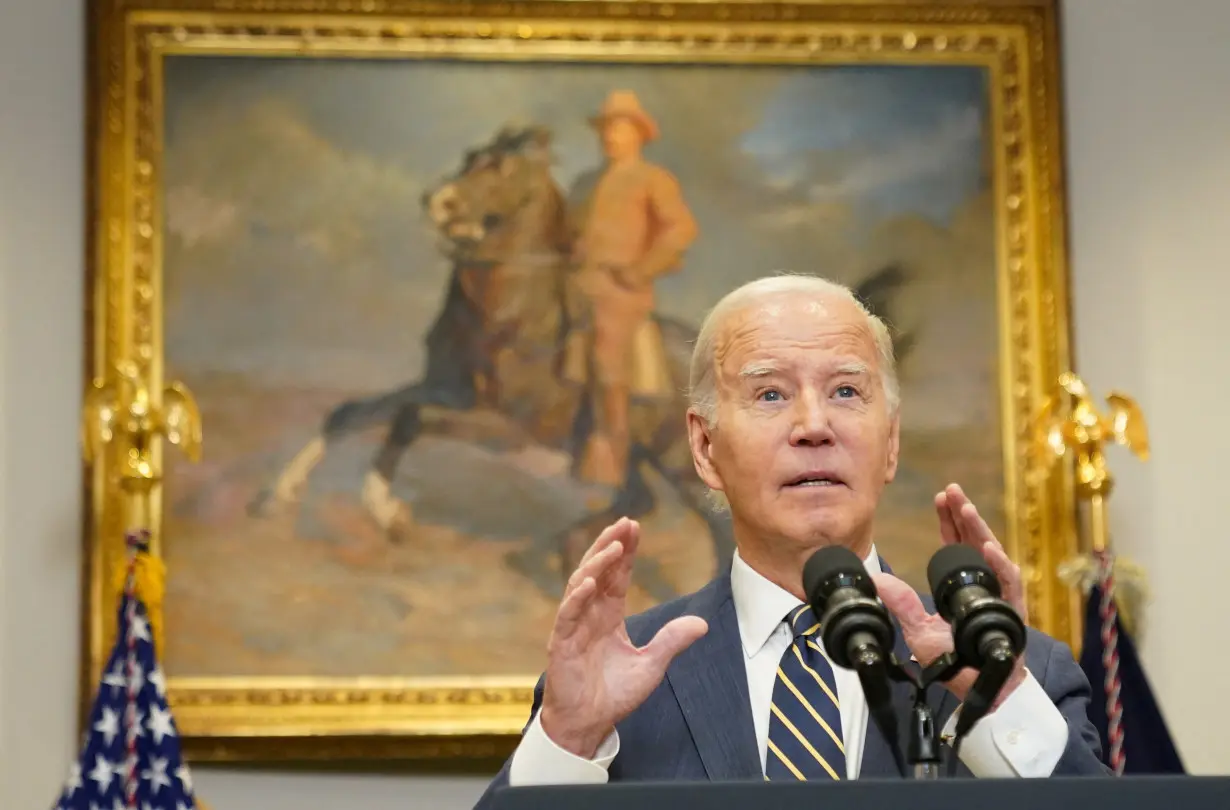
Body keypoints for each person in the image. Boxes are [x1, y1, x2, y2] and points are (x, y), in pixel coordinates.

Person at [474, 274, 1108, 808]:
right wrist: (567, 741)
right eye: (771, 393)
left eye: (846, 392)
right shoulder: (616, 685)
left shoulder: (1025, 673)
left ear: (889, 443)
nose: (813, 425)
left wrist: (1000, 704)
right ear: (704, 446)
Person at [562, 89, 699, 488]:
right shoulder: (585, 184)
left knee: (607, 358)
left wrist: (642, 269)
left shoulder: (653, 180)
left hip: (621, 291)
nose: (610, 137)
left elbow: (681, 230)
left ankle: (610, 455)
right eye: (606, 129)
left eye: (620, 129)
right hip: (577, 286)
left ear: (639, 134)